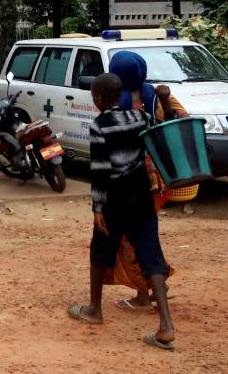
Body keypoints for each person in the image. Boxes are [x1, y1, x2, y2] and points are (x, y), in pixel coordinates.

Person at [67, 73, 176, 351]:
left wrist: (98, 208)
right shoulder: (139, 118)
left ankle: (94, 310)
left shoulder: (100, 125)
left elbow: (101, 170)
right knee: (152, 256)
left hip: (115, 199)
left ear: (101, 99)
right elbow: (166, 127)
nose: (93, 101)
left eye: (93, 96)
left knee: (100, 251)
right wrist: (164, 99)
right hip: (141, 196)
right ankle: (166, 325)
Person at [108, 50, 186, 312]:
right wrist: (164, 101)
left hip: (133, 181)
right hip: (159, 180)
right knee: (142, 235)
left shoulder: (116, 101)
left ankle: (146, 293)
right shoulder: (157, 95)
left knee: (131, 238)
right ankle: (155, 284)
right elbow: (182, 122)